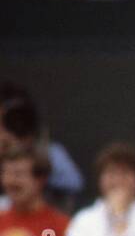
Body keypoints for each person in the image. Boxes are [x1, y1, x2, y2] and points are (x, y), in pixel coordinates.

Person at [0, 83, 84, 211]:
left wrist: (33, 166)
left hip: (41, 219)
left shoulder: (50, 152)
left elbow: (75, 183)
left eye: (13, 120)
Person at [0, 145, 69, 236]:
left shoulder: (54, 226)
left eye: (18, 174)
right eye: (6, 174)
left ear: (40, 180)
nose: (10, 181)